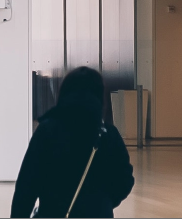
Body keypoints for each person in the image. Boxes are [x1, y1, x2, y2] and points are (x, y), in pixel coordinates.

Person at [10, 66, 134, 218]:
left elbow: (27, 185)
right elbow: (125, 180)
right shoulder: (108, 134)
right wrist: (103, 203)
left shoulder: (48, 131)